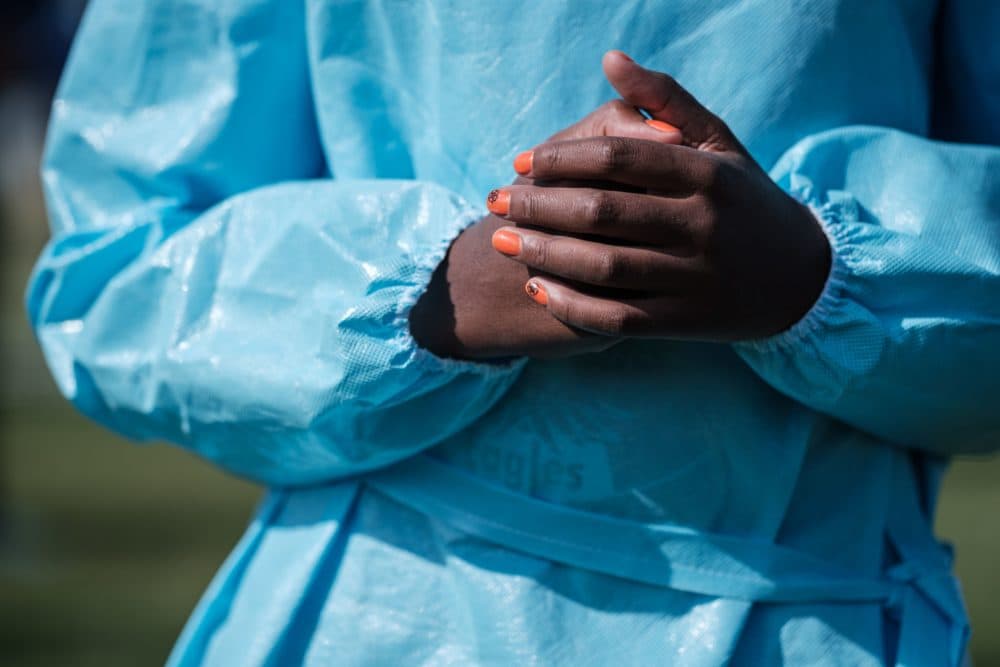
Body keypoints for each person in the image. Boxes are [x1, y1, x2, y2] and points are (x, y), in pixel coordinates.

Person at [27, 1, 998, 664]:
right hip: (382, 619)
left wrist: (812, 273)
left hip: (814, 626)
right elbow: (115, 280)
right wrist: (444, 289)